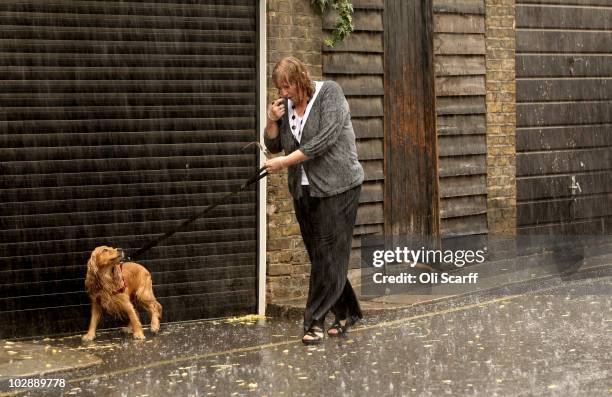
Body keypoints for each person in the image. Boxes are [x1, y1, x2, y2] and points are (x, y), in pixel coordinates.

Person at [263, 56, 364, 345]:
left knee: (328, 254)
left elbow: (321, 142)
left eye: (288, 86)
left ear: (300, 79)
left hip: (339, 187)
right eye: (280, 88)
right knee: (320, 255)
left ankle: (314, 322)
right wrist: (272, 121)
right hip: (304, 190)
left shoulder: (330, 94)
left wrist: (283, 163)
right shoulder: (288, 107)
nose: (284, 93)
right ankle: (348, 312)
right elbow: (273, 145)